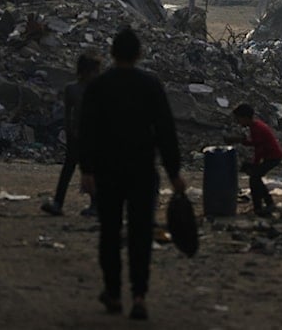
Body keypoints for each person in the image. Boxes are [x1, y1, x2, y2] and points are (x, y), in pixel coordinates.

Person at [80, 27, 186, 321]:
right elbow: (165, 131)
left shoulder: (98, 86)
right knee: (140, 234)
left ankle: (113, 293)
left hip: (107, 171)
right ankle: (139, 295)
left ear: (112, 54)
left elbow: (86, 131)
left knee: (110, 232)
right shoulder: (150, 85)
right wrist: (174, 171)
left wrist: (86, 170)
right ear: (139, 54)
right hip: (142, 170)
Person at [41, 53, 101, 217]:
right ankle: (58, 203)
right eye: (92, 72)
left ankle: (95, 204)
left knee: (89, 171)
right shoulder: (72, 89)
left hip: (93, 136)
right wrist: (69, 134)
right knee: (68, 169)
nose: (95, 75)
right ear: (83, 71)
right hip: (76, 136)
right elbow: (68, 115)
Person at [225, 103, 282, 216]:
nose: (238, 122)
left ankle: (260, 206)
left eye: (239, 119)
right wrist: (242, 141)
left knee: (254, 178)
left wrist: (255, 164)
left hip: (273, 157)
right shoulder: (256, 126)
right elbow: (256, 143)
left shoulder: (256, 128)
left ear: (245, 118)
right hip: (272, 156)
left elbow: (259, 149)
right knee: (256, 179)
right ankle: (265, 204)